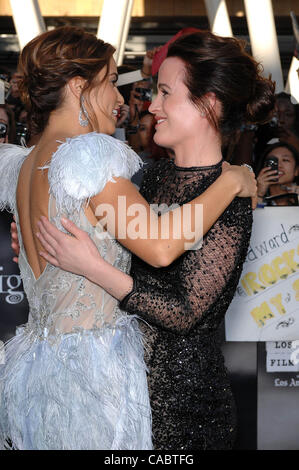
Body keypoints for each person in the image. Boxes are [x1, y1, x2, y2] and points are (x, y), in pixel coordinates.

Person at [0, 26, 257, 451]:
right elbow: (159, 247)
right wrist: (231, 182)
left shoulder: (27, 165)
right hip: (93, 378)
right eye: (111, 82)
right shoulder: (86, 159)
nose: (122, 100)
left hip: (41, 376)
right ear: (80, 86)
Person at [256, 141, 299, 206]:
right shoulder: (250, 197)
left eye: (285, 160)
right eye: (272, 161)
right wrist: (259, 194)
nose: (278, 165)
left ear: (296, 170)